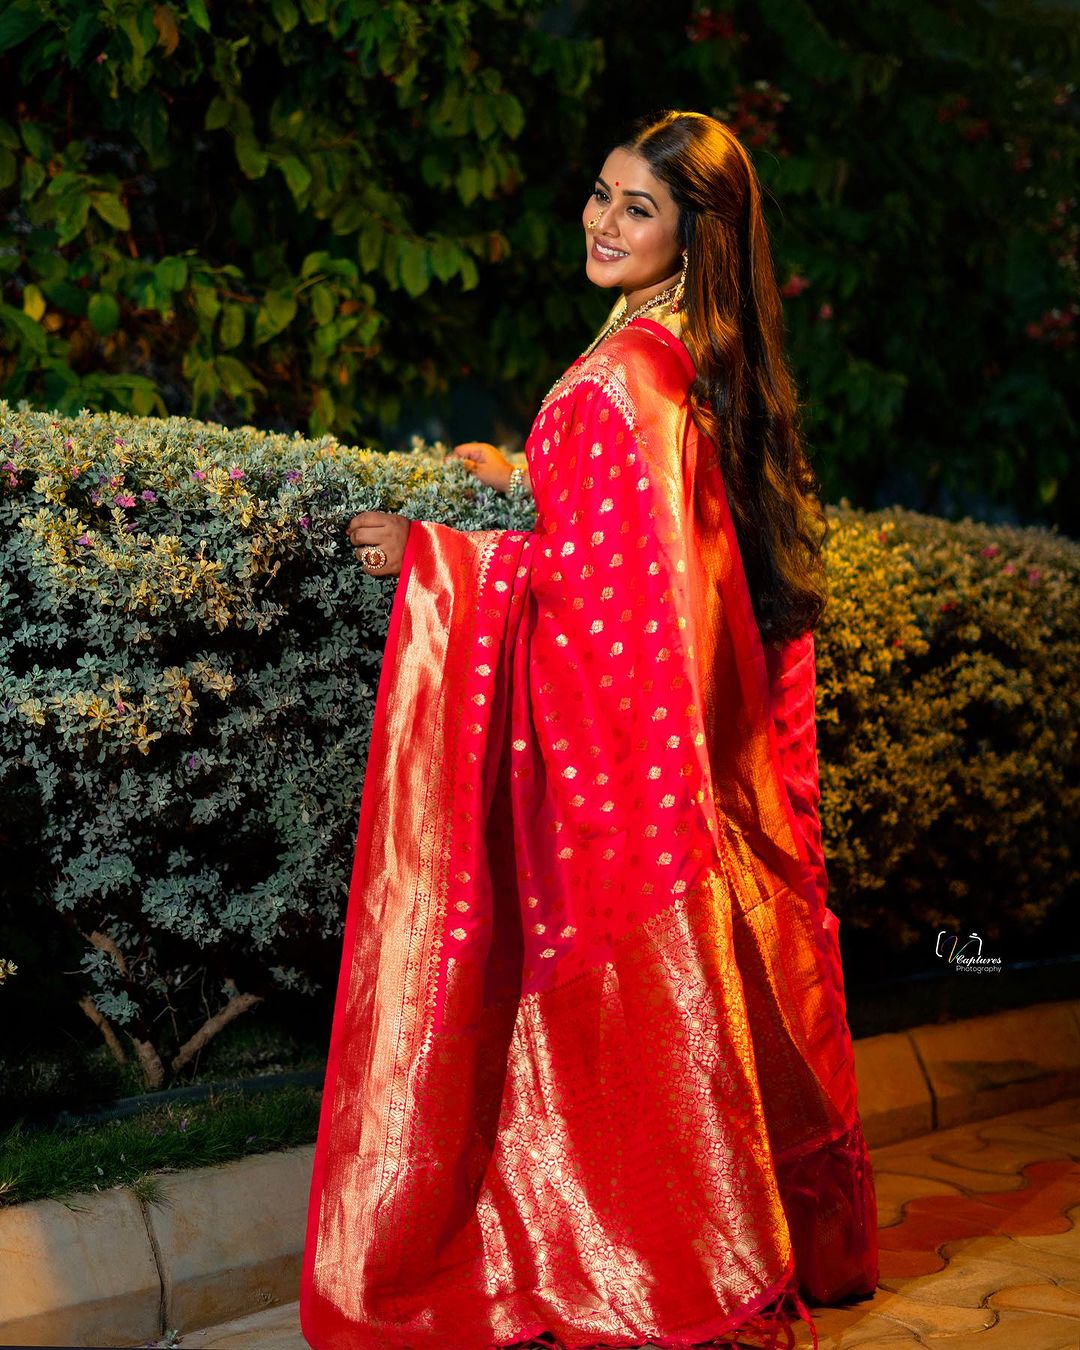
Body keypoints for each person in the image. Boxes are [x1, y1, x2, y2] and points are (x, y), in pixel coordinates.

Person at [300, 110, 879, 1350]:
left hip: (634, 789)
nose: (602, 223)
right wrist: (524, 475)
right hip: (702, 772)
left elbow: (610, 602)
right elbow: (660, 539)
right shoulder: (694, 360)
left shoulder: (623, 380)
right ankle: (784, 1233)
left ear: (691, 236)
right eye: (603, 194)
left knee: (629, 1026)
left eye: (638, 209)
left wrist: (437, 560)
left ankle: (658, 1260)